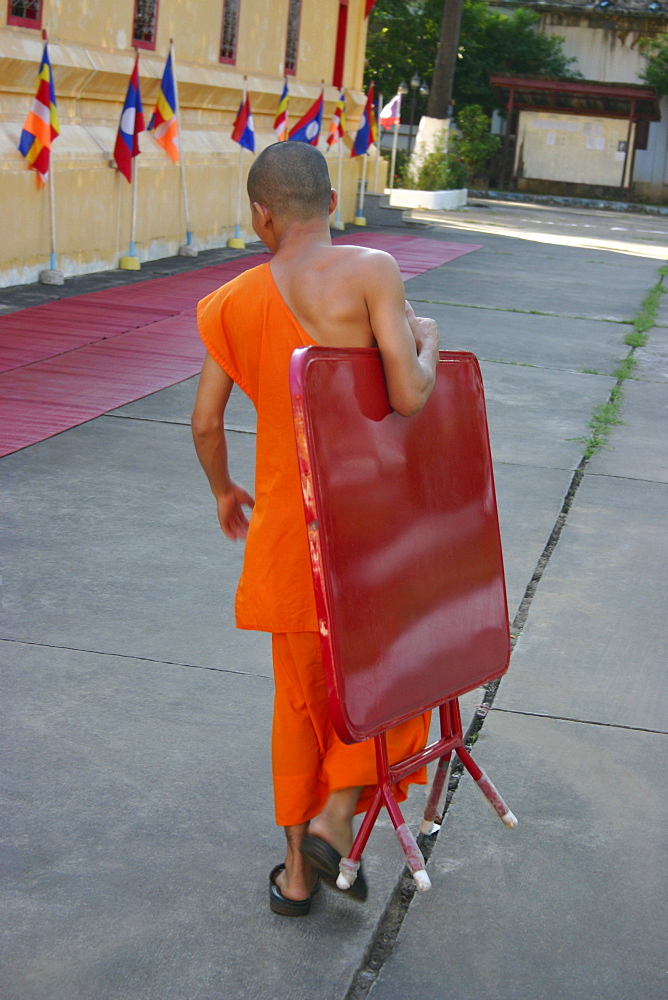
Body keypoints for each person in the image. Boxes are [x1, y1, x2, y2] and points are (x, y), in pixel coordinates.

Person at [191, 141, 439, 917]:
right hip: (372, 538)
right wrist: (425, 339)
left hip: (287, 543)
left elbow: (204, 423)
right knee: (393, 685)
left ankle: (297, 875)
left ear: (260, 216)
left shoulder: (230, 301)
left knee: (300, 706)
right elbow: (409, 394)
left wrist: (225, 491)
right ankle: (339, 815)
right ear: (333, 203)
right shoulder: (371, 271)